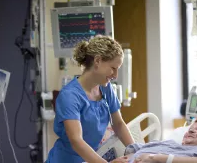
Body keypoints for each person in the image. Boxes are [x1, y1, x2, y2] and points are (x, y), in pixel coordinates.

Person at [46, 35, 135, 163]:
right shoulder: (70, 96)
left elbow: (119, 124)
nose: (115, 76)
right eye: (113, 68)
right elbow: (76, 141)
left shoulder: (106, 88)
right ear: (97, 61)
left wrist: (136, 151)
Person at [121, 115, 197, 163]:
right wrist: (127, 157)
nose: (191, 131)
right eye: (190, 129)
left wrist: (156, 158)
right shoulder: (167, 143)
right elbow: (134, 149)